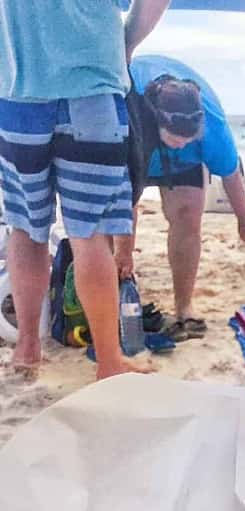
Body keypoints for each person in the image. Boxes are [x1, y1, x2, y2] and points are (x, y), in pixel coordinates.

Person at [0, 0, 170, 380]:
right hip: (93, 93)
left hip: (18, 95)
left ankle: (28, 346)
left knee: (25, 228)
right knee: (90, 236)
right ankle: (109, 362)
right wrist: (126, 41)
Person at [116, 55, 245, 341]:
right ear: (159, 120)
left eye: (189, 139)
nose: (182, 143)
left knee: (187, 219)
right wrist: (123, 249)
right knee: (121, 225)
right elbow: (122, 198)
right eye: (176, 139)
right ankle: (119, 293)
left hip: (183, 166)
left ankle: (185, 307)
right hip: (136, 144)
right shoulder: (131, 113)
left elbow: (231, 175)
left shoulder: (212, 127)